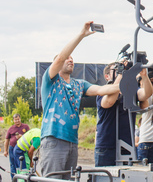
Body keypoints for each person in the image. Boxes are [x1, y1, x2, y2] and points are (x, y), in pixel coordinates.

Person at [40, 21, 122, 179]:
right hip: (54, 139)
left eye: (72, 58)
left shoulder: (79, 84)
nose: (70, 60)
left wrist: (126, 80)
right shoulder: (50, 81)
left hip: (72, 141)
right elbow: (59, 59)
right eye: (67, 58)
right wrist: (81, 35)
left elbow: (102, 89)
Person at [95, 63, 153, 166]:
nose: (120, 72)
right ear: (107, 76)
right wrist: (121, 76)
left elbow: (146, 94)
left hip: (127, 145)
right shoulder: (102, 91)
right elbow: (109, 102)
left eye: (120, 70)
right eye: (116, 70)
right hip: (107, 146)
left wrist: (144, 76)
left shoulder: (130, 90)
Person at [3, 113, 30, 180]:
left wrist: (22, 136)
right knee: (13, 164)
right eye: (15, 120)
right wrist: (5, 151)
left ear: (20, 119)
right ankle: (14, 179)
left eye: (18, 119)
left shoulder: (25, 127)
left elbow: (30, 136)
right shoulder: (11, 129)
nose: (17, 121)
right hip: (12, 148)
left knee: (22, 164)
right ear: (13, 120)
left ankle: (23, 178)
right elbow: (6, 140)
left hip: (22, 149)